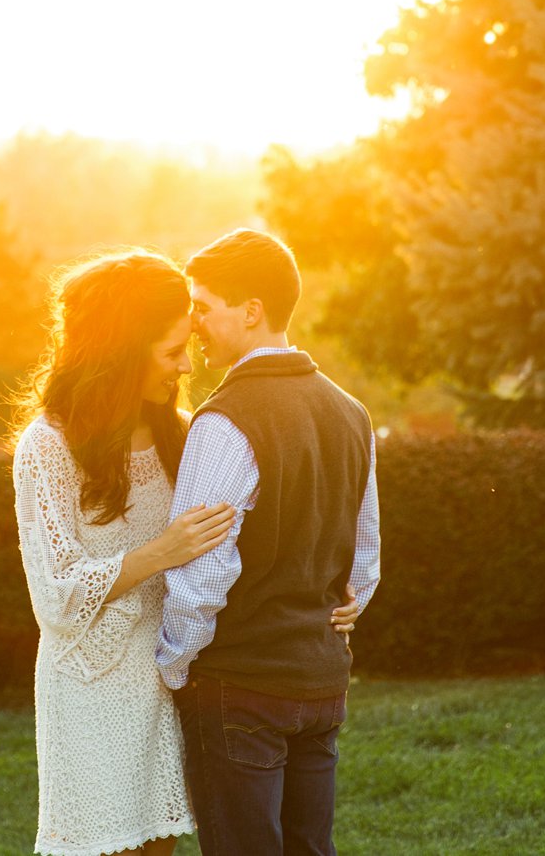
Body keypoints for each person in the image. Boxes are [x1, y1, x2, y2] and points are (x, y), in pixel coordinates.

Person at [157, 229, 380, 856]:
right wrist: (342, 610)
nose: (193, 322)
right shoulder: (351, 412)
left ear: (251, 310)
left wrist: (173, 667)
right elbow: (365, 558)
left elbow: (201, 570)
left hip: (240, 688)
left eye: (203, 305)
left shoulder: (226, 419)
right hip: (321, 685)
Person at [9, 249, 233, 856]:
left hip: (166, 679)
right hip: (88, 689)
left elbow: (233, 532)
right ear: (123, 350)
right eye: (170, 352)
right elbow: (56, 597)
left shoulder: (180, 432)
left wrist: (327, 580)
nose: (186, 366)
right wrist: (161, 552)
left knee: (159, 846)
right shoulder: (48, 445)